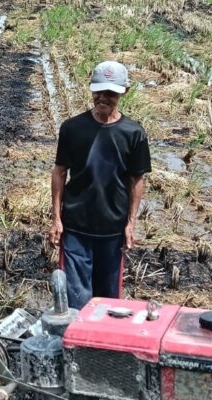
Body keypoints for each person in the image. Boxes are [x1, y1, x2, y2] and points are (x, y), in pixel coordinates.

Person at [48, 61, 151, 310]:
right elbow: (60, 172)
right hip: (75, 227)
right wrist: (56, 219)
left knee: (108, 302)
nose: (103, 98)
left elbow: (137, 180)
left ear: (124, 91)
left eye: (111, 93)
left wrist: (130, 223)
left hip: (112, 230)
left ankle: (101, 348)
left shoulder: (133, 133)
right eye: (99, 92)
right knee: (76, 300)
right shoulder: (72, 128)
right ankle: (75, 346)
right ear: (91, 90)